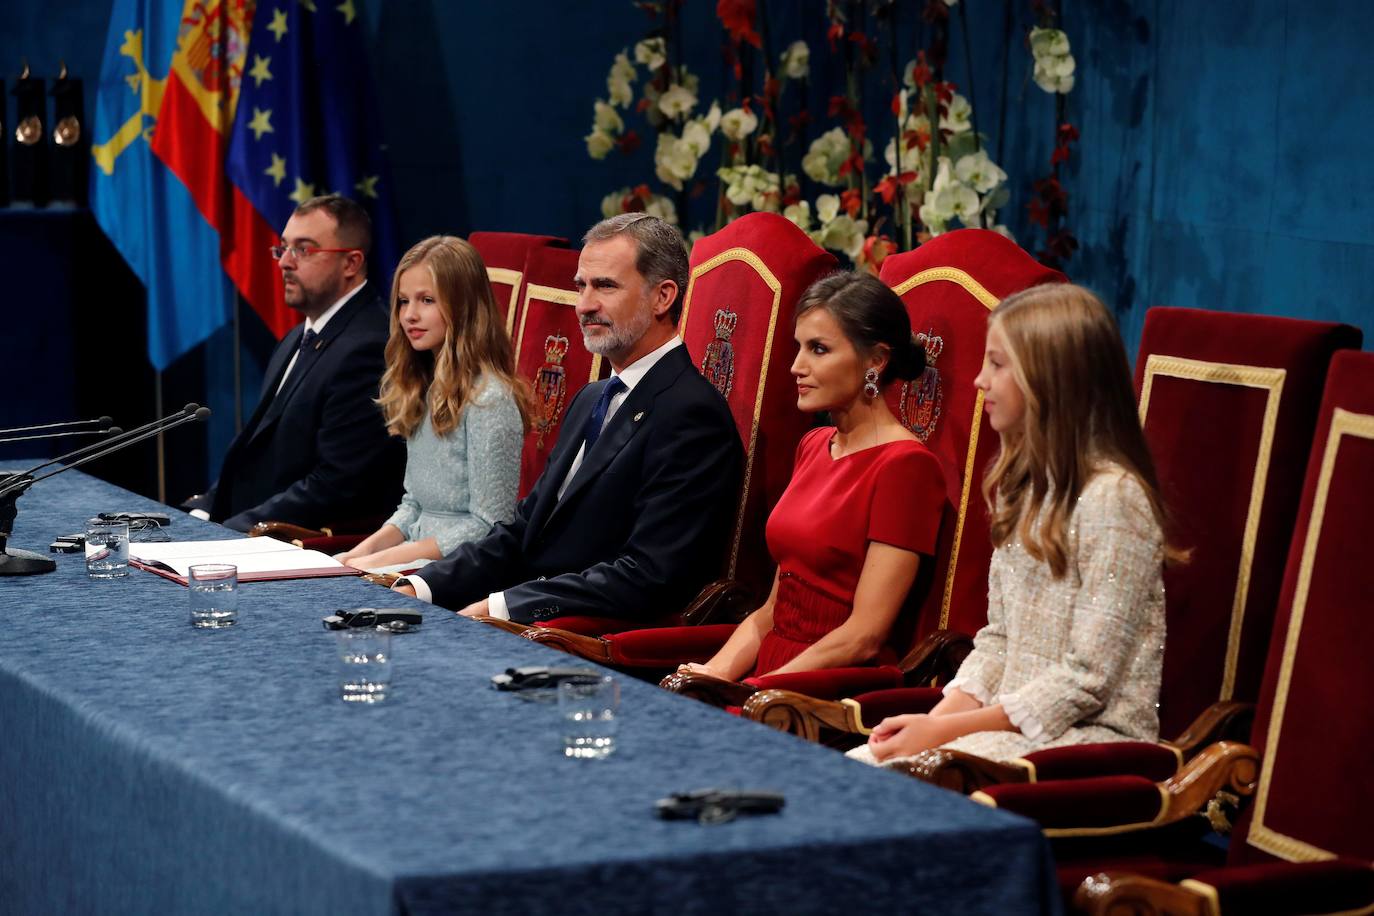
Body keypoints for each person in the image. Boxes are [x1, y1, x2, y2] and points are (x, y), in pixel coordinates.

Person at [851, 283, 1171, 766]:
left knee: (894, 784)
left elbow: (1087, 679)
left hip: (1087, 740)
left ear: (1051, 379)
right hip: (1008, 728)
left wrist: (945, 731)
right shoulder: (1026, 488)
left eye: (997, 365)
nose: (979, 381)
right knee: (861, 766)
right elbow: (999, 640)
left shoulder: (1115, 499)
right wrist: (936, 722)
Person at [392, 214, 743, 624]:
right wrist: (423, 585)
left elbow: (648, 574)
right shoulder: (592, 396)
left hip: (585, 643)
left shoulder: (691, 414)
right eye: (581, 286)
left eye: (605, 286)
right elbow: (524, 529)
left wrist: (502, 607)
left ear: (662, 297)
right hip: (525, 616)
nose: (584, 305)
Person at [675, 272, 946, 682]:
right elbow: (771, 611)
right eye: (798, 347)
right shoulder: (814, 444)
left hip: (828, 686)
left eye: (818, 349)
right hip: (773, 672)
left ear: (876, 360)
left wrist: (760, 691)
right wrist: (713, 675)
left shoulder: (907, 467)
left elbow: (864, 635)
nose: (796, 367)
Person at [184, 195, 403, 532]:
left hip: (302, 545)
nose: (284, 262)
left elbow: (334, 484)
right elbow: (256, 452)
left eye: (304, 250)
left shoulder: (368, 348)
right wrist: (204, 511)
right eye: (282, 248)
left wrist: (227, 531)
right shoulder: (298, 335)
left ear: (351, 263)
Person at [336, 236, 528, 572]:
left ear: (464, 306)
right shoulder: (423, 387)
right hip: (412, 561)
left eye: (427, 300)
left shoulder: (489, 399)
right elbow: (412, 507)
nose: (409, 315)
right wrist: (352, 556)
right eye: (403, 301)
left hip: (461, 568)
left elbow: (489, 525)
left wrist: (378, 562)